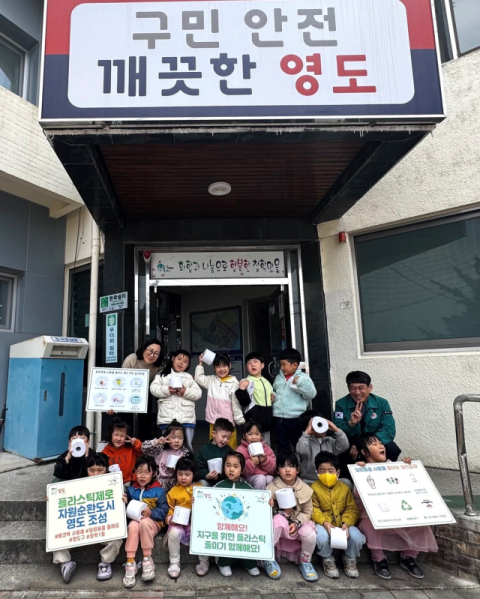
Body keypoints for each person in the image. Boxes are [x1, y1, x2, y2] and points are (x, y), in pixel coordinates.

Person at [354, 433, 438, 580]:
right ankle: (379, 559)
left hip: (397, 513)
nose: (380, 446)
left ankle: (408, 556)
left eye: (381, 443)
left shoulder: (393, 466)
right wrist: (359, 472)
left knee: (422, 522)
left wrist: (407, 468)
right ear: (364, 452)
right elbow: (356, 493)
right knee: (369, 526)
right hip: (373, 515)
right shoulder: (361, 469)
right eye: (374, 444)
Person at [52, 452, 123, 584]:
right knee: (58, 530)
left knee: (117, 534)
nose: (95, 474)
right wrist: (53, 499)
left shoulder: (114, 484)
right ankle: (65, 563)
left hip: (103, 525)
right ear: (86, 470)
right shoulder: (78, 483)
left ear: (106, 469)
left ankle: (105, 563)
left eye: (100, 470)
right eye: (92, 470)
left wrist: (123, 499)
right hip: (80, 525)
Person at [264, 451, 318, 582]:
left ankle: (305, 562)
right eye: (283, 466)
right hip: (280, 527)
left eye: (291, 466)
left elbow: (307, 511)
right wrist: (271, 507)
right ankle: (268, 557)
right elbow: (265, 514)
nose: (287, 470)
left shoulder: (304, 488)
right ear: (278, 470)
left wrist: (297, 523)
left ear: (297, 470)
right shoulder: (270, 488)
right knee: (277, 520)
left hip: (297, 526)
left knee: (310, 534)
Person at [333, 371, 400, 476]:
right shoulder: (341, 404)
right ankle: (349, 480)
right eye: (353, 388)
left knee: (392, 449)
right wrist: (351, 424)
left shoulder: (382, 403)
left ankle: (386, 476)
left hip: (374, 441)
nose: (357, 392)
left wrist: (363, 444)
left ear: (370, 387)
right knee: (342, 452)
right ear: (348, 389)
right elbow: (336, 429)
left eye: (361, 388)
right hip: (351, 442)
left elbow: (389, 430)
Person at [311, 451, 365, 579]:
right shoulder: (313, 488)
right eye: (322, 471)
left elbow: (351, 509)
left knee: (356, 536)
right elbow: (313, 509)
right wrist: (325, 523)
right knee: (321, 537)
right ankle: (327, 558)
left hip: (343, 523)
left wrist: (346, 523)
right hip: (323, 523)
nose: (327, 474)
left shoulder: (344, 488)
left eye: (331, 471)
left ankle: (350, 558)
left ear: (338, 473)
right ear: (317, 473)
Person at [122, 455, 168, 588]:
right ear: (135, 472)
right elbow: (126, 510)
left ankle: (147, 559)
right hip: (136, 522)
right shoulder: (131, 489)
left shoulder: (158, 491)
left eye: (147, 472)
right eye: (139, 471)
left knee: (144, 523)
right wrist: (125, 503)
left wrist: (151, 513)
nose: (142, 475)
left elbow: (164, 511)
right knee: (132, 525)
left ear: (153, 474)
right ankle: (130, 562)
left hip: (153, 523)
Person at [213, 450, 261, 577]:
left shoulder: (248, 488)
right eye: (228, 465)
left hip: (242, 526)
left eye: (235, 466)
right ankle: (223, 563)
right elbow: (209, 506)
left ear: (243, 469)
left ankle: (249, 563)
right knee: (224, 538)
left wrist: (267, 503)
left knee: (245, 538)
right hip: (224, 526)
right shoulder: (218, 487)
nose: (231, 470)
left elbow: (256, 507)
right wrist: (198, 501)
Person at [150, 349, 202, 452]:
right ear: (173, 359)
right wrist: (167, 390)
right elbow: (153, 389)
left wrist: (185, 392)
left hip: (186, 419)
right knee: (166, 445)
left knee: (187, 446)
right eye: (179, 359)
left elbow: (198, 393)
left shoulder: (189, 377)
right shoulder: (162, 375)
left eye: (185, 361)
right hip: (167, 418)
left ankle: (187, 461)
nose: (181, 363)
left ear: (188, 365)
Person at [165, 457, 209, 578]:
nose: (183, 478)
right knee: (173, 533)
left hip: (196, 522)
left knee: (201, 532)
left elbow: (208, 508)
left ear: (194, 474)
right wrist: (170, 519)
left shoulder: (200, 489)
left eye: (187, 474)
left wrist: (199, 502)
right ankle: (174, 562)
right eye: (180, 474)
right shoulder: (173, 491)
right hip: (178, 523)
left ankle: (204, 561)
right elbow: (170, 509)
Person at [195, 353, 244, 449]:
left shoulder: (234, 383)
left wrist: (240, 420)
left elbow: (236, 404)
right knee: (214, 446)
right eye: (218, 366)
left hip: (228, 423)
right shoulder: (211, 381)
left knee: (230, 448)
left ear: (230, 366)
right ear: (214, 368)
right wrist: (200, 363)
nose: (222, 369)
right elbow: (199, 378)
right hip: (214, 421)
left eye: (224, 366)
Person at [272, 348, 317, 451]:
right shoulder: (278, 378)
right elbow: (274, 390)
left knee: (298, 444)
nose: (281, 367)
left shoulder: (303, 378)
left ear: (294, 365)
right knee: (282, 445)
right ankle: (284, 461)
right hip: (279, 418)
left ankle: (299, 461)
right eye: (280, 364)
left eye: (284, 364)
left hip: (296, 418)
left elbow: (311, 394)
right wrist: (273, 395)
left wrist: (300, 382)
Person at [122, 339, 163, 440]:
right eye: (150, 350)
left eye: (156, 353)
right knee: (125, 423)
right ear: (144, 349)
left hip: (145, 395)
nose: (152, 355)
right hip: (127, 393)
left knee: (145, 424)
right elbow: (122, 380)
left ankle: (144, 446)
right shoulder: (131, 359)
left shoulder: (159, 367)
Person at [296, 410, 349, 485]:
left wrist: (336, 429)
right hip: (310, 480)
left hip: (330, 479)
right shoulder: (305, 442)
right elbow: (301, 451)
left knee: (347, 483)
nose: (323, 428)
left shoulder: (329, 441)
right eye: (318, 425)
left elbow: (344, 446)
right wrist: (306, 433)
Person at [235, 352, 274, 444]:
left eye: (255, 361)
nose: (252, 364)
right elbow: (244, 402)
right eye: (249, 363)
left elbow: (271, 396)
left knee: (266, 447)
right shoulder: (246, 382)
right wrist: (242, 389)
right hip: (253, 425)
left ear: (262, 365)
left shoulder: (267, 382)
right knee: (253, 447)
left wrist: (273, 397)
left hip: (266, 425)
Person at [141, 420, 191, 493]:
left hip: (177, 483)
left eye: (180, 438)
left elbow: (189, 470)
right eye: (173, 437)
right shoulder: (161, 449)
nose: (177, 441)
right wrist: (157, 442)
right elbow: (144, 448)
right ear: (167, 437)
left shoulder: (185, 453)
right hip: (160, 482)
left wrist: (178, 469)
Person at [236, 420, 276, 490]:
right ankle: (257, 497)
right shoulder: (241, 450)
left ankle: (269, 497)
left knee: (270, 479)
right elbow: (239, 470)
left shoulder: (266, 448)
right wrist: (252, 463)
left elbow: (275, 468)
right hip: (248, 479)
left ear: (261, 436)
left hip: (265, 476)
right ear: (244, 436)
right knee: (261, 479)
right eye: (250, 434)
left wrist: (266, 461)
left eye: (257, 434)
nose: (254, 437)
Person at [101, 418, 143, 485]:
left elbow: (142, 452)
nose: (119, 438)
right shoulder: (105, 452)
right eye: (116, 435)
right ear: (110, 435)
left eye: (122, 436)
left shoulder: (131, 448)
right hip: (112, 483)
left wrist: (136, 443)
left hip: (131, 483)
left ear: (126, 437)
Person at [195, 417, 234, 486]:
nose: (225, 440)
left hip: (225, 482)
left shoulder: (229, 451)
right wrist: (206, 475)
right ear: (214, 434)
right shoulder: (204, 450)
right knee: (201, 483)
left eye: (228, 438)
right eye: (223, 436)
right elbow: (198, 466)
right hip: (208, 481)